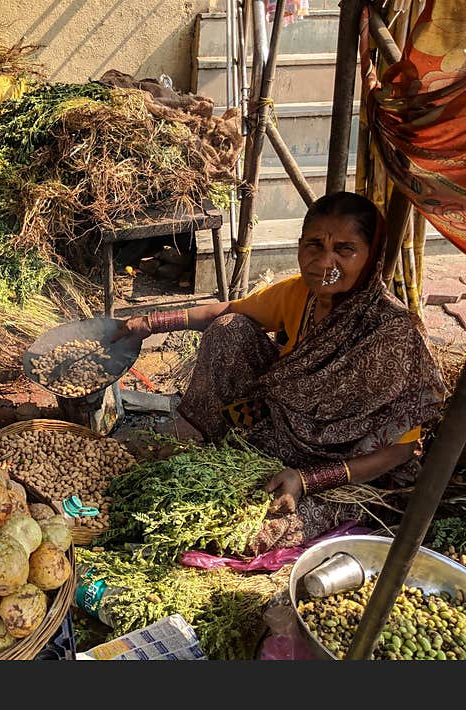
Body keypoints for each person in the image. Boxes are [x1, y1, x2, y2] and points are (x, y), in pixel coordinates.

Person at [116, 191, 447, 553]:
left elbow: (400, 452)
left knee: (246, 534)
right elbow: (222, 311)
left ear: (372, 256)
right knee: (231, 328)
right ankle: (204, 433)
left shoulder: (390, 332)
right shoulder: (300, 294)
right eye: (314, 246)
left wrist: (307, 480)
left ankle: (278, 478)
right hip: (281, 430)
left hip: (343, 465)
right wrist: (148, 322)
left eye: (345, 249)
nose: (325, 262)